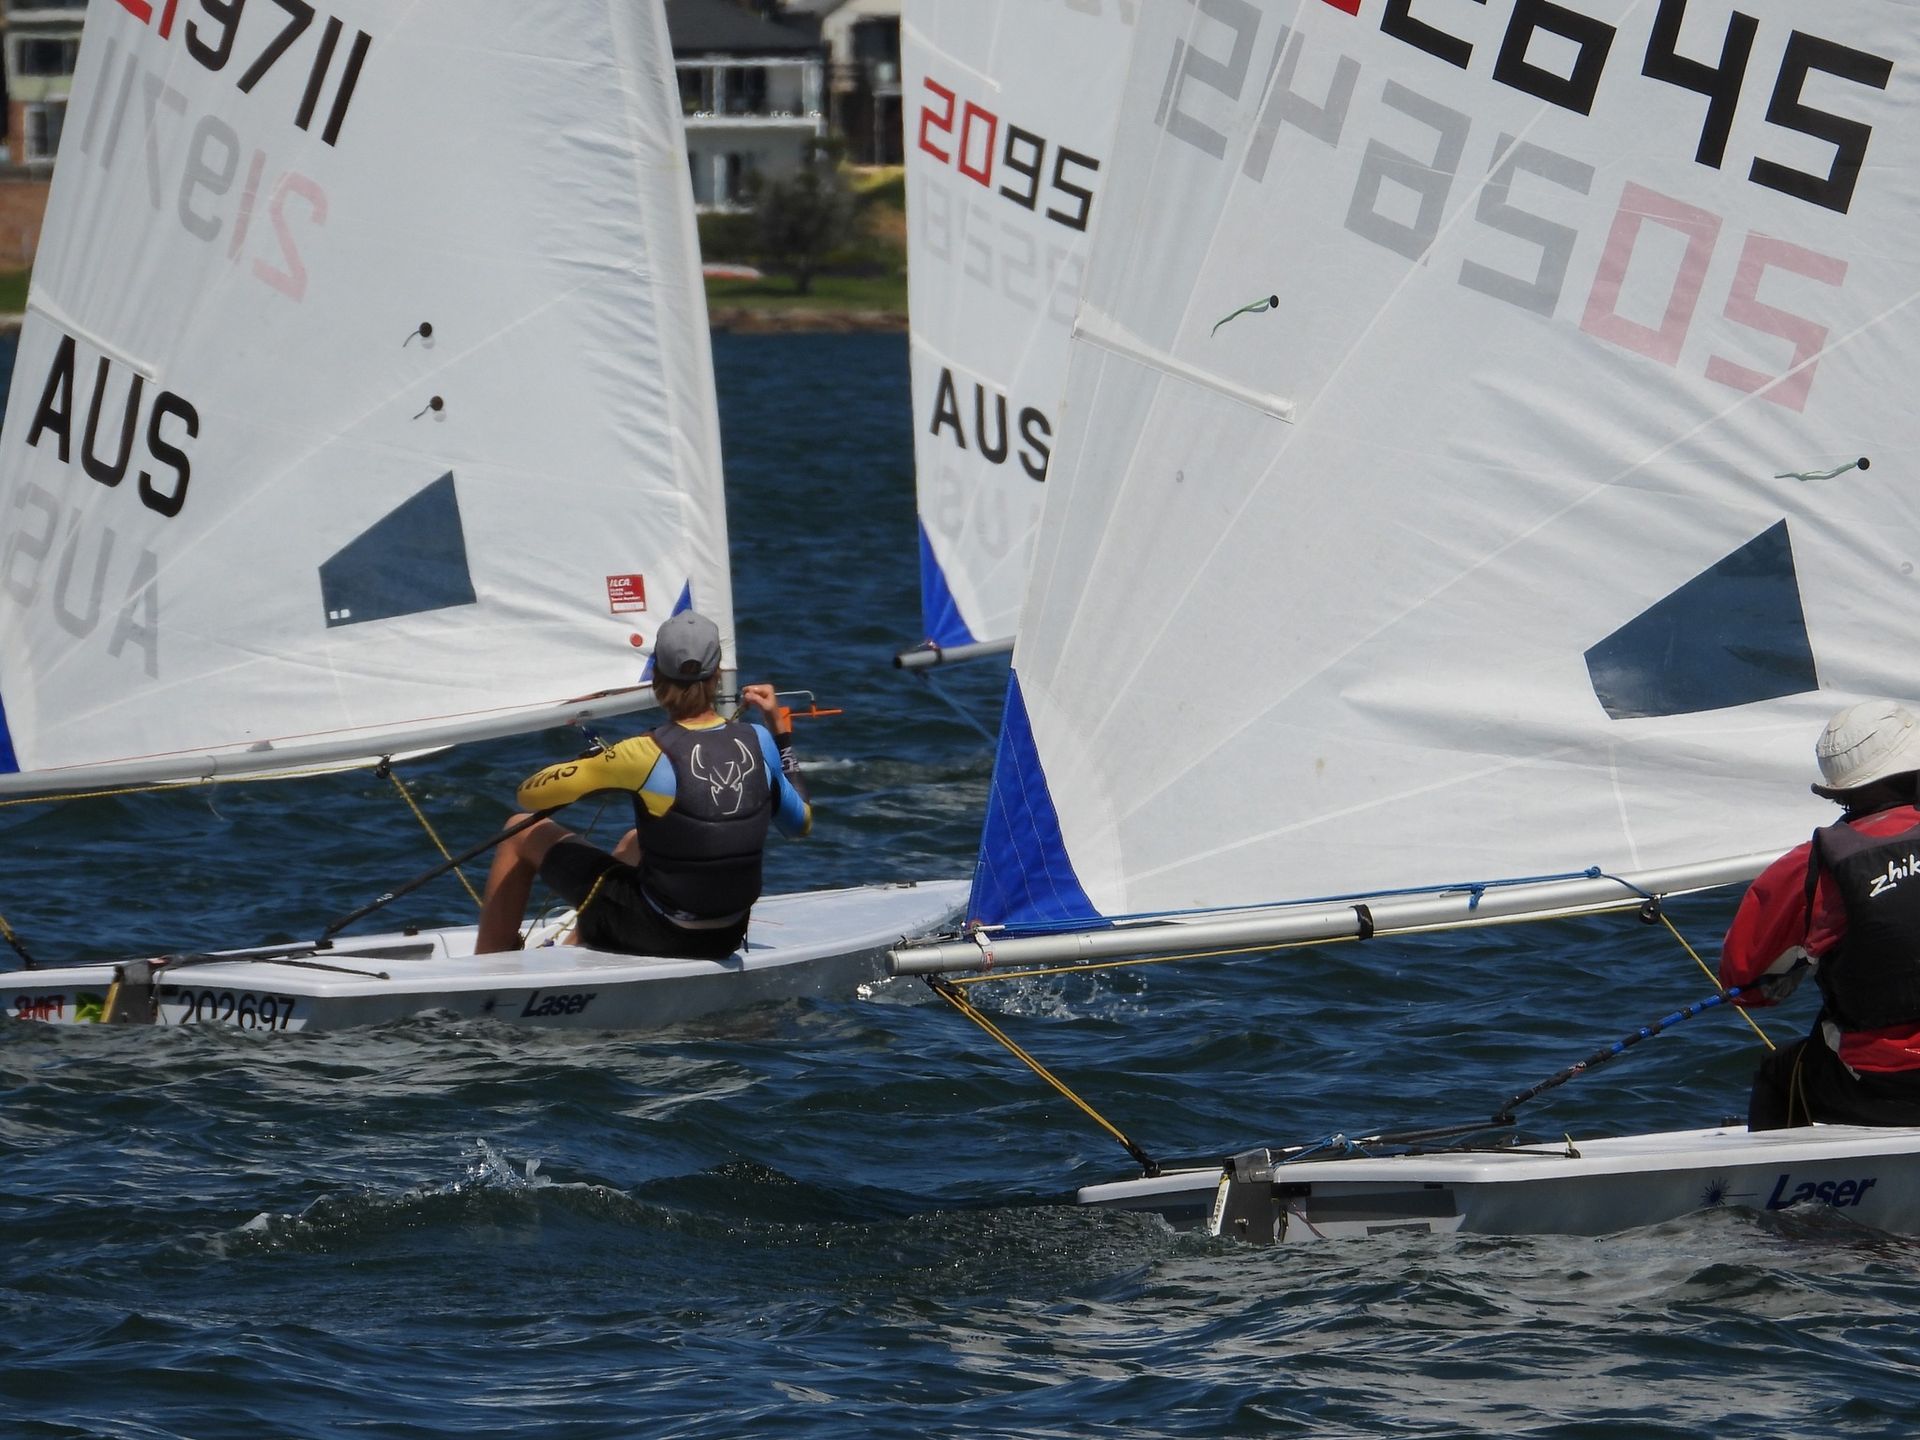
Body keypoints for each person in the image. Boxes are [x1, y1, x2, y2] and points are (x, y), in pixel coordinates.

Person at [474, 610, 811, 958]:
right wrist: (781, 735)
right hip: (727, 934)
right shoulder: (758, 738)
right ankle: (577, 944)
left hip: (658, 934)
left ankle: (486, 972)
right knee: (635, 842)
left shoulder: (643, 752)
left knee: (517, 831)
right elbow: (800, 823)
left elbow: (530, 795)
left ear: (655, 676)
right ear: (717, 678)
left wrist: (592, 767)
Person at [1720, 698, 1920, 1129]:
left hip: (1884, 1086)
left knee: (1782, 1071)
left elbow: (1747, 988)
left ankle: (1788, 1189)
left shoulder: (1810, 867)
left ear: (1841, 792)